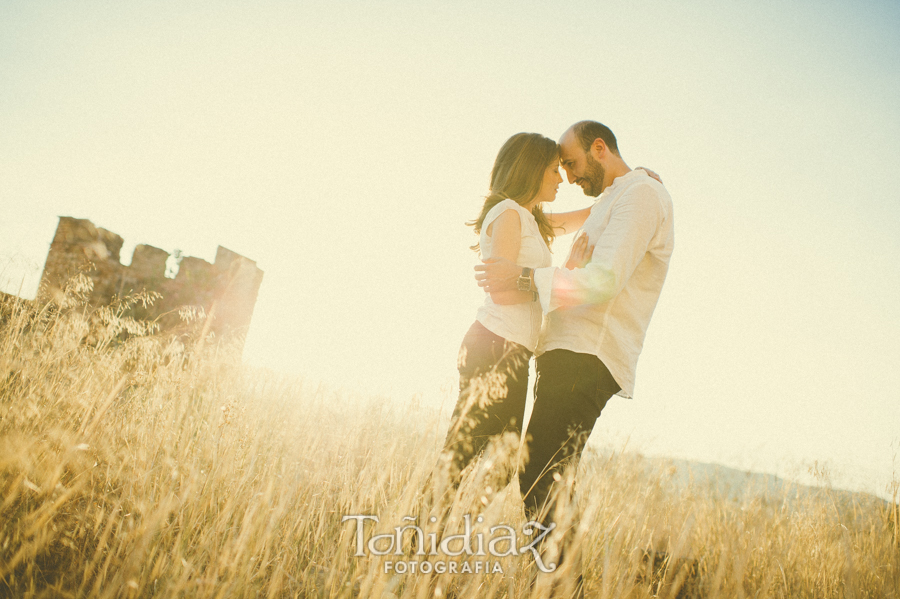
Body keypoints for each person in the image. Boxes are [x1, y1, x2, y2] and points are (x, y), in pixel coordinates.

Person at [475, 120, 675, 595]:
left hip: (589, 354)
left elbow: (604, 281)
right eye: (560, 166)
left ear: (600, 148)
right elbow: (560, 228)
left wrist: (522, 279)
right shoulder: (618, 196)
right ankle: (559, 583)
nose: (566, 174)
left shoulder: (641, 196)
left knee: (540, 471)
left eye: (572, 162)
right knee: (543, 472)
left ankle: (563, 586)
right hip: (565, 352)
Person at [427, 132, 592, 511]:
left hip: (510, 350)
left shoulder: (529, 219)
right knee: (464, 461)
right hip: (495, 345)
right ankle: (416, 545)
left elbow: (584, 217)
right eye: (554, 169)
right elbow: (503, 290)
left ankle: (430, 546)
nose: (561, 178)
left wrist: (629, 183)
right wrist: (564, 276)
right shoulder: (508, 213)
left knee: (489, 465)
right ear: (532, 170)